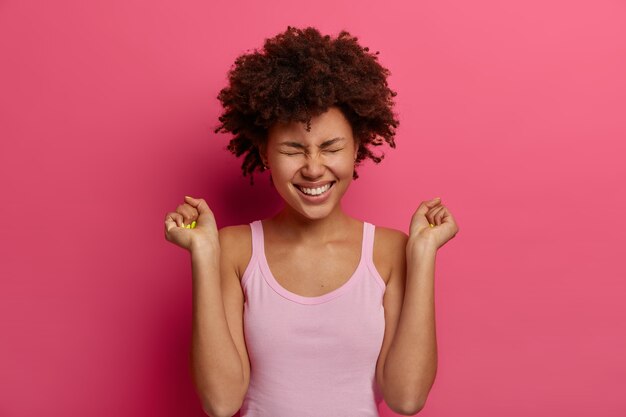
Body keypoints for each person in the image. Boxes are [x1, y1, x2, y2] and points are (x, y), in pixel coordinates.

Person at [164, 26, 459, 417]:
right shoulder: (233, 249)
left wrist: (422, 255)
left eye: (331, 147)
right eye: (293, 149)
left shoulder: (390, 251)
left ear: (357, 148)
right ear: (265, 153)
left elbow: (406, 398)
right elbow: (221, 403)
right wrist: (203, 254)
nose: (314, 169)